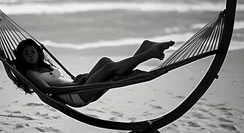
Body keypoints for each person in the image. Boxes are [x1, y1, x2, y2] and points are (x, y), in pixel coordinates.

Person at [15, 38, 175, 108]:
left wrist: (78, 79)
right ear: (22, 57)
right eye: (26, 54)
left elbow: (61, 81)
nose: (30, 55)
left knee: (105, 62)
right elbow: (48, 89)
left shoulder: (44, 66)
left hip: (78, 86)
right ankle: (148, 53)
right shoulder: (29, 72)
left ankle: (144, 49)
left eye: (32, 51)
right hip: (76, 96)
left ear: (38, 52)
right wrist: (76, 85)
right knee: (109, 69)